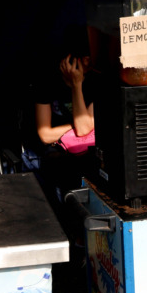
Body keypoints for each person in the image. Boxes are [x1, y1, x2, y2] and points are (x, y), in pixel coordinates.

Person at [31, 25, 97, 204]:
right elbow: (45, 134)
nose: (88, 62)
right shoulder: (47, 82)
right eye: (84, 58)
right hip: (57, 152)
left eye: (90, 57)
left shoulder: (95, 81)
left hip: (85, 152)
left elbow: (84, 129)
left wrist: (77, 86)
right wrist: (81, 125)